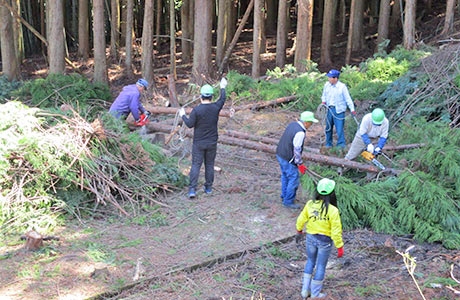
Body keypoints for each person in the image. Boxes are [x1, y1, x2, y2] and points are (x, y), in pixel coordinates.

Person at [295, 178, 344, 299]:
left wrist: (299, 230)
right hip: (325, 242)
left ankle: (304, 291)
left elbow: (301, 218)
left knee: (310, 261)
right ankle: (315, 294)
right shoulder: (333, 210)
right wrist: (339, 246)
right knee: (321, 266)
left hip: (310, 237)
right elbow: (336, 230)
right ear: (332, 194)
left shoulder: (310, 204)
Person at [179, 78, 228, 198]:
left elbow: (190, 124)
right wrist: (222, 87)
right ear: (211, 97)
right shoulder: (216, 107)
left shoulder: (197, 110)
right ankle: (208, 188)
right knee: (209, 165)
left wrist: (183, 115)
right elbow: (222, 99)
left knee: (196, 165)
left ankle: (192, 190)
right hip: (211, 142)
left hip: (199, 143)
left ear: (201, 96)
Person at [276, 111, 318, 209]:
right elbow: (297, 149)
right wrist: (299, 163)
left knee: (285, 176)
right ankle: (288, 201)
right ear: (306, 122)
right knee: (293, 178)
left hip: (280, 153)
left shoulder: (293, 124)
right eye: (311, 123)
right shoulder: (300, 132)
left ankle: (284, 195)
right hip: (288, 158)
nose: (311, 125)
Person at [321, 69, 356, 149]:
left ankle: (340, 145)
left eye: (330, 78)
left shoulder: (342, 87)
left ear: (335, 78)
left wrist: (352, 109)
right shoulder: (326, 85)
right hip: (329, 109)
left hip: (339, 111)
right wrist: (323, 102)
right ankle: (328, 144)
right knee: (328, 128)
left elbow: (348, 99)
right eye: (329, 77)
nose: (329, 79)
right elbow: (324, 95)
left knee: (339, 129)